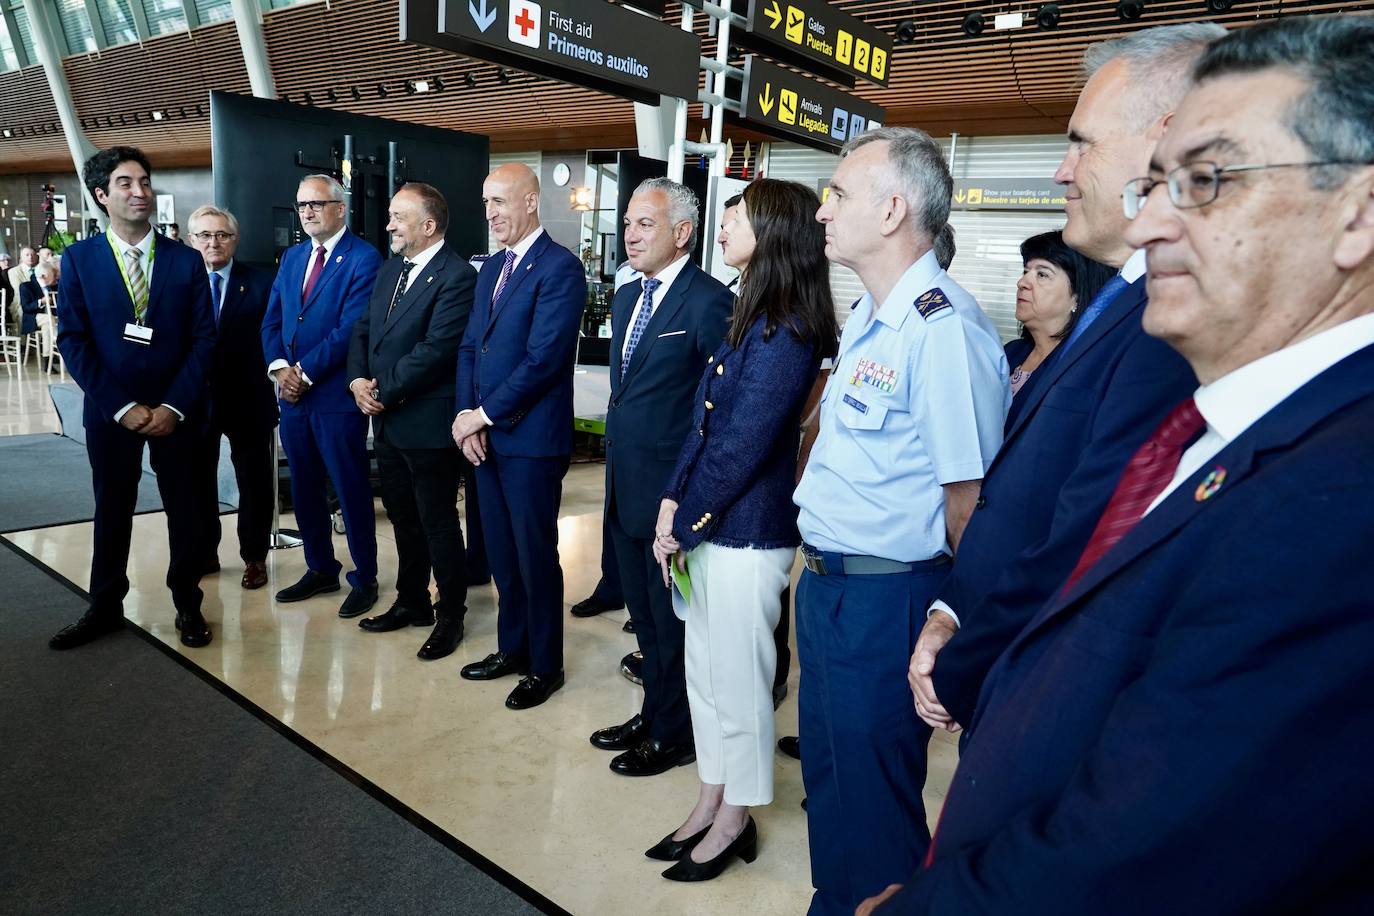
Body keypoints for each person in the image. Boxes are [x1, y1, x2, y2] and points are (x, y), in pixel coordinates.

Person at [867, 14, 1374, 913]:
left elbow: (1168, 845)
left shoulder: (1339, 491)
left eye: (1206, 182)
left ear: (1358, 215)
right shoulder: (1249, 426)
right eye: (1159, 180)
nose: (1150, 224)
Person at [909, 24, 1221, 746]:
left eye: (1082, 143)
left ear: (1163, 142)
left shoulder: (1168, 322)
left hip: (1040, 681)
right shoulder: (1121, 299)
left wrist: (967, 659)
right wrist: (955, 606)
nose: (1060, 171)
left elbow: (1085, 523)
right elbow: (1029, 489)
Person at [793, 126, 1009, 915]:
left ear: (892, 210)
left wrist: (956, 629)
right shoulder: (872, 315)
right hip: (828, 588)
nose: (823, 211)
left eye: (839, 194)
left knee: (874, 806)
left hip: (887, 600)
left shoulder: (941, 328)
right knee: (832, 788)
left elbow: (971, 504)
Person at [648, 178, 838, 880]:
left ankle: (737, 816)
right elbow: (702, 428)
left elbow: (743, 446)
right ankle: (710, 798)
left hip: (747, 534)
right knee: (706, 678)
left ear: (775, 233)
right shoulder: (749, 319)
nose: (723, 225)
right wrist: (672, 504)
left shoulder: (787, 329)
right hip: (710, 530)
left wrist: (686, 522)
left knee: (739, 685)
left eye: (737, 216)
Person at [590, 177, 733, 775]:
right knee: (643, 617)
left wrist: (690, 499)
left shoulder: (708, 301)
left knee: (670, 622)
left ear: (682, 232)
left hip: (671, 497)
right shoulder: (627, 295)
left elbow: (717, 410)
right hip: (623, 485)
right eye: (627, 223)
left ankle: (675, 733)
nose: (630, 233)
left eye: (645, 224)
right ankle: (654, 711)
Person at [49, 146, 215, 650]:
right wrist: (121, 406)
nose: (139, 191)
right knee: (112, 507)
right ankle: (104, 605)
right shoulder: (79, 260)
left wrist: (171, 407)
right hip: (111, 411)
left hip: (176, 411)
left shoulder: (185, 261)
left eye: (144, 181)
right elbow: (73, 340)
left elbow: (204, 339)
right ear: (102, 195)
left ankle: (187, 602)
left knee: (185, 509)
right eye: (125, 183)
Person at [452, 163, 585, 710]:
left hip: (530, 441)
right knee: (501, 555)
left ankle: (545, 664)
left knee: (534, 556)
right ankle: (512, 649)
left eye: (500, 202)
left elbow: (543, 361)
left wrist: (482, 414)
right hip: (484, 437)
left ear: (531, 202)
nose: (490, 214)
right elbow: (469, 347)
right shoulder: (490, 269)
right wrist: (466, 416)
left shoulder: (560, 269)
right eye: (486, 203)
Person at [347, 182, 478, 661]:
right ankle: (412, 601)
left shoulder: (457, 276)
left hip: (425, 423)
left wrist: (380, 390)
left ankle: (451, 616)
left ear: (428, 225)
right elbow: (363, 328)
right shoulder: (390, 270)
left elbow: (437, 351)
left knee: (437, 521)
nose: (388, 225)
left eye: (398, 217)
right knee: (402, 518)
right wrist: (357, 380)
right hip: (385, 422)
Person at [261, 175, 383, 617]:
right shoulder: (292, 257)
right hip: (291, 398)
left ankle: (364, 576)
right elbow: (271, 320)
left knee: (349, 488)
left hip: (334, 396)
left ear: (340, 208)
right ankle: (320, 568)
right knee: (306, 487)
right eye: (302, 205)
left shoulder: (364, 258)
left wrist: (304, 372)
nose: (307, 212)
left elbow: (350, 328)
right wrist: (278, 369)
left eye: (317, 203)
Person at [187, 205, 277, 590]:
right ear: (192, 241)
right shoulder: (178, 283)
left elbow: (273, 334)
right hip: (194, 402)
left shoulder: (261, 282)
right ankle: (206, 551)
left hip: (249, 398)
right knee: (197, 481)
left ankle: (254, 557)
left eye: (222, 235)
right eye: (205, 235)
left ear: (235, 239)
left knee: (254, 482)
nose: (214, 242)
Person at [1004, 231, 1115, 400]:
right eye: (1025, 271)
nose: (1022, 282)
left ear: (1077, 296)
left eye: (1042, 274)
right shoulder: (1011, 351)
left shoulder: (1081, 367)